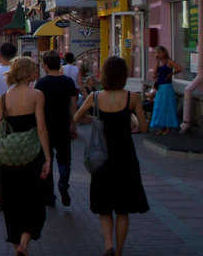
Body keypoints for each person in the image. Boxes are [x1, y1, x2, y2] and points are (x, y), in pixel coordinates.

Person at [74, 56, 149, 256]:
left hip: (102, 157)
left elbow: (77, 117)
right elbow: (142, 128)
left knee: (104, 205)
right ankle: (119, 251)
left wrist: (95, 119)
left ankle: (108, 245)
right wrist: (132, 118)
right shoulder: (132, 98)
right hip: (125, 157)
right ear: (123, 74)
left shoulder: (95, 97)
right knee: (123, 208)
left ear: (104, 75)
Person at [0, 56, 52, 256]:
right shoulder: (37, 95)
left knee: (12, 203)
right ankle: (25, 242)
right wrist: (48, 158)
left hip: (10, 158)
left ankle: (16, 245)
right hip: (32, 155)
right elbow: (41, 128)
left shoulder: (4, 97)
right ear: (28, 72)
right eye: (34, 69)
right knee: (35, 200)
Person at [35, 50, 78, 207]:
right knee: (65, 158)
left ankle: (49, 196)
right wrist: (74, 126)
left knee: (47, 159)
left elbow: (38, 108)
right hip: (63, 126)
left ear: (45, 65)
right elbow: (73, 108)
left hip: (46, 128)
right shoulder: (68, 82)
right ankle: (63, 183)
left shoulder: (41, 84)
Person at [149, 45, 182, 135]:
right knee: (160, 107)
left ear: (164, 53)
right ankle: (162, 127)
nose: (158, 54)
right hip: (160, 86)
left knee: (167, 107)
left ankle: (167, 128)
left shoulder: (169, 61)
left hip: (167, 87)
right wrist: (157, 62)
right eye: (157, 53)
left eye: (159, 52)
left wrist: (171, 74)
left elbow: (179, 68)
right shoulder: (159, 62)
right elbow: (154, 73)